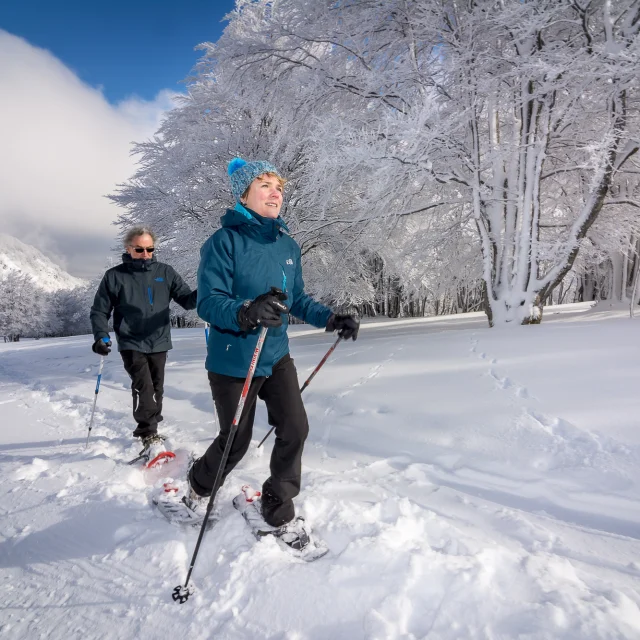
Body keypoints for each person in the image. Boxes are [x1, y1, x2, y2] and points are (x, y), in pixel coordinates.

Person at [186, 157, 359, 530]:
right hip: (234, 359)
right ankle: (198, 486)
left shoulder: (288, 246)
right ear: (244, 194)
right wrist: (247, 310)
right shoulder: (223, 242)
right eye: (264, 185)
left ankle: (277, 504)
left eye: (278, 187)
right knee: (235, 441)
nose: (275, 193)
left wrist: (330, 319)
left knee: (295, 428)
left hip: (276, 354)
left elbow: (296, 299)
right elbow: (208, 300)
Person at [90, 226, 197, 461]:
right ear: (128, 249)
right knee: (143, 386)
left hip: (159, 340)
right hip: (131, 340)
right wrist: (100, 335)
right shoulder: (115, 276)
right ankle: (147, 433)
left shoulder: (165, 272)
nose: (146, 254)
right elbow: (100, 310)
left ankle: (152, 427)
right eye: (140, 249)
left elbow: (188, 301)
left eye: (150, 249)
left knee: (157, 388)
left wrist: (207, 291)